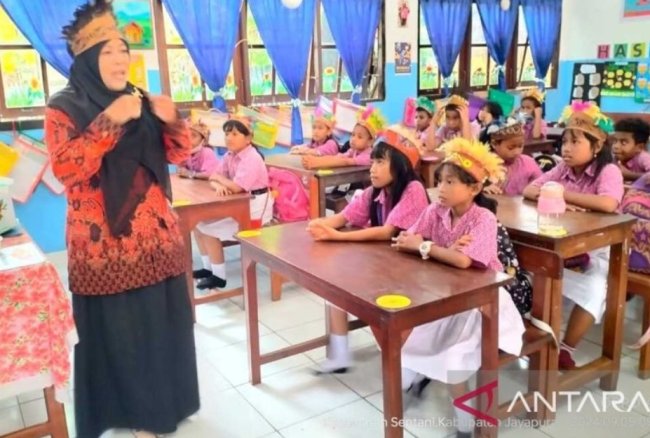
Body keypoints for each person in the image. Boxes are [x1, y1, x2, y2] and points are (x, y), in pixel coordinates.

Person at [44, 2, 199, 436]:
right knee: (124, 337)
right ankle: (133, 415)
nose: (120, 60)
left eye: (124, 50)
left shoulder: (140, 99)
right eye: (107, 52)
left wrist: (173, 121)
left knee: (163, 329)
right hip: (105, 248)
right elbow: (66, 169)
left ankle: (171, 404)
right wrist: (109, 123)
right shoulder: (65, 107)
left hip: (158, 241)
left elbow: (179, 154)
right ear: (88, 59)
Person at [393, 137, 525, 438]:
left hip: (484, 303)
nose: (441, 188)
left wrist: (429, 247)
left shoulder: (484, 218)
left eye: (450, 182)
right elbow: (405, 241)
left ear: (475, 189)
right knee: (411, 341)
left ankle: (466, 426)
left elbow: (465, 263)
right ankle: (418, 377)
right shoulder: (434, 211)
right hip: (445, 295)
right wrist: (440, 249)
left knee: (455, 357)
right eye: (440, 180)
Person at [306, 129, 428, 373]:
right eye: (372, 161)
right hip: (385, 262)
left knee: (376, 307)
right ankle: (340, 356)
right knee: (336, 287)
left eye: (380, 162)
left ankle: (409, 366)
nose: (372, 168)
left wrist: (338, 236)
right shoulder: (376, 191)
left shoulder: (413, 189)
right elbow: (344, 216)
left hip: (416, 269)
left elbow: (387, 232)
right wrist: (319, 225)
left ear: (401, 165)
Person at [523, 102, 623, 370]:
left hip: (598, 248)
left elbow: (608, 204)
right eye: (564, 141)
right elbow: (530, 190)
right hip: (561, 242)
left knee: (596, 287)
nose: (565, 148)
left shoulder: (608, 170)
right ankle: (534, 338)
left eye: (575, 142)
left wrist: (561, 195)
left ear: (596, 146)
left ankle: (566, 349)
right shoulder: (562, 169)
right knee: (530, 272)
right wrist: (556, 192)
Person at [193, 116, 274, 290]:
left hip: (255, 207)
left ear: (248, 138)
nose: (229, 138)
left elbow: (237, 187)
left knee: (207, 228)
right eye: (227, 134)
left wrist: (220, 180)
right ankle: (208, 269)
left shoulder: (251, 157)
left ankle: (219, 277)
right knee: (197, 224)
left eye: (235, 134)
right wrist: (218, 183)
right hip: (240, 203)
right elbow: (213, 177)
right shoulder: (230, 155)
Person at [301, 107, 386, 169]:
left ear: (370, 142)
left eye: (359, 137)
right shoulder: (353, 151)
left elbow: (346, 162)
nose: (354, 139)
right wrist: (314, 159)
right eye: (353, 135)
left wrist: (316, 163)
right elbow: (339, 157)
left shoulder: (369, 155)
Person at [483, 120, 542, 196]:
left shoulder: (528, 163)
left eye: (520, 146)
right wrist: (484, 188)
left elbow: (542, 183)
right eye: (511, 148)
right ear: (494, 144)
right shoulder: (483, 163)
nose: (517, 152)